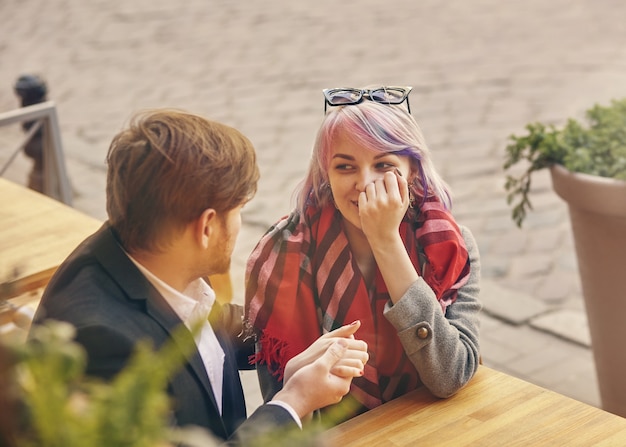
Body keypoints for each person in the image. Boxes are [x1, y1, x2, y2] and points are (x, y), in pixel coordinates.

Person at [29, 109, 369, 445]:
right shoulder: (105, 345)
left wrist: (297, 338)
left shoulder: (159, 251)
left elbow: (209, 323)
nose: (238, 224)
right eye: (238, 210)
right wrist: (294, 402)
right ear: (206, 227)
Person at [245, 86, 481, 424]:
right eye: (345, 167)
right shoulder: (280, 255)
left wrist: (385, 241)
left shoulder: (450, 247)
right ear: (325, 173)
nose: (364, 183)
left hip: (430, 429)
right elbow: (283, 406)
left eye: (383, 164)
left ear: (412, 171)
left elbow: (451, 375)